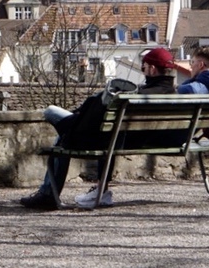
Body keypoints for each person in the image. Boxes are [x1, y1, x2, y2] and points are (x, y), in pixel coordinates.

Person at [20, 46, 180, 211]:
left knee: (51, 113)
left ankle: (48, 195)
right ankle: (90, 190)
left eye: (144, 67)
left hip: (111, 141)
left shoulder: (132, 94)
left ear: (153, 69)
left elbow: (92, 122)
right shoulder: (176, 96)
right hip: (140, 141)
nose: (143, 71)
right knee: (68, 135)